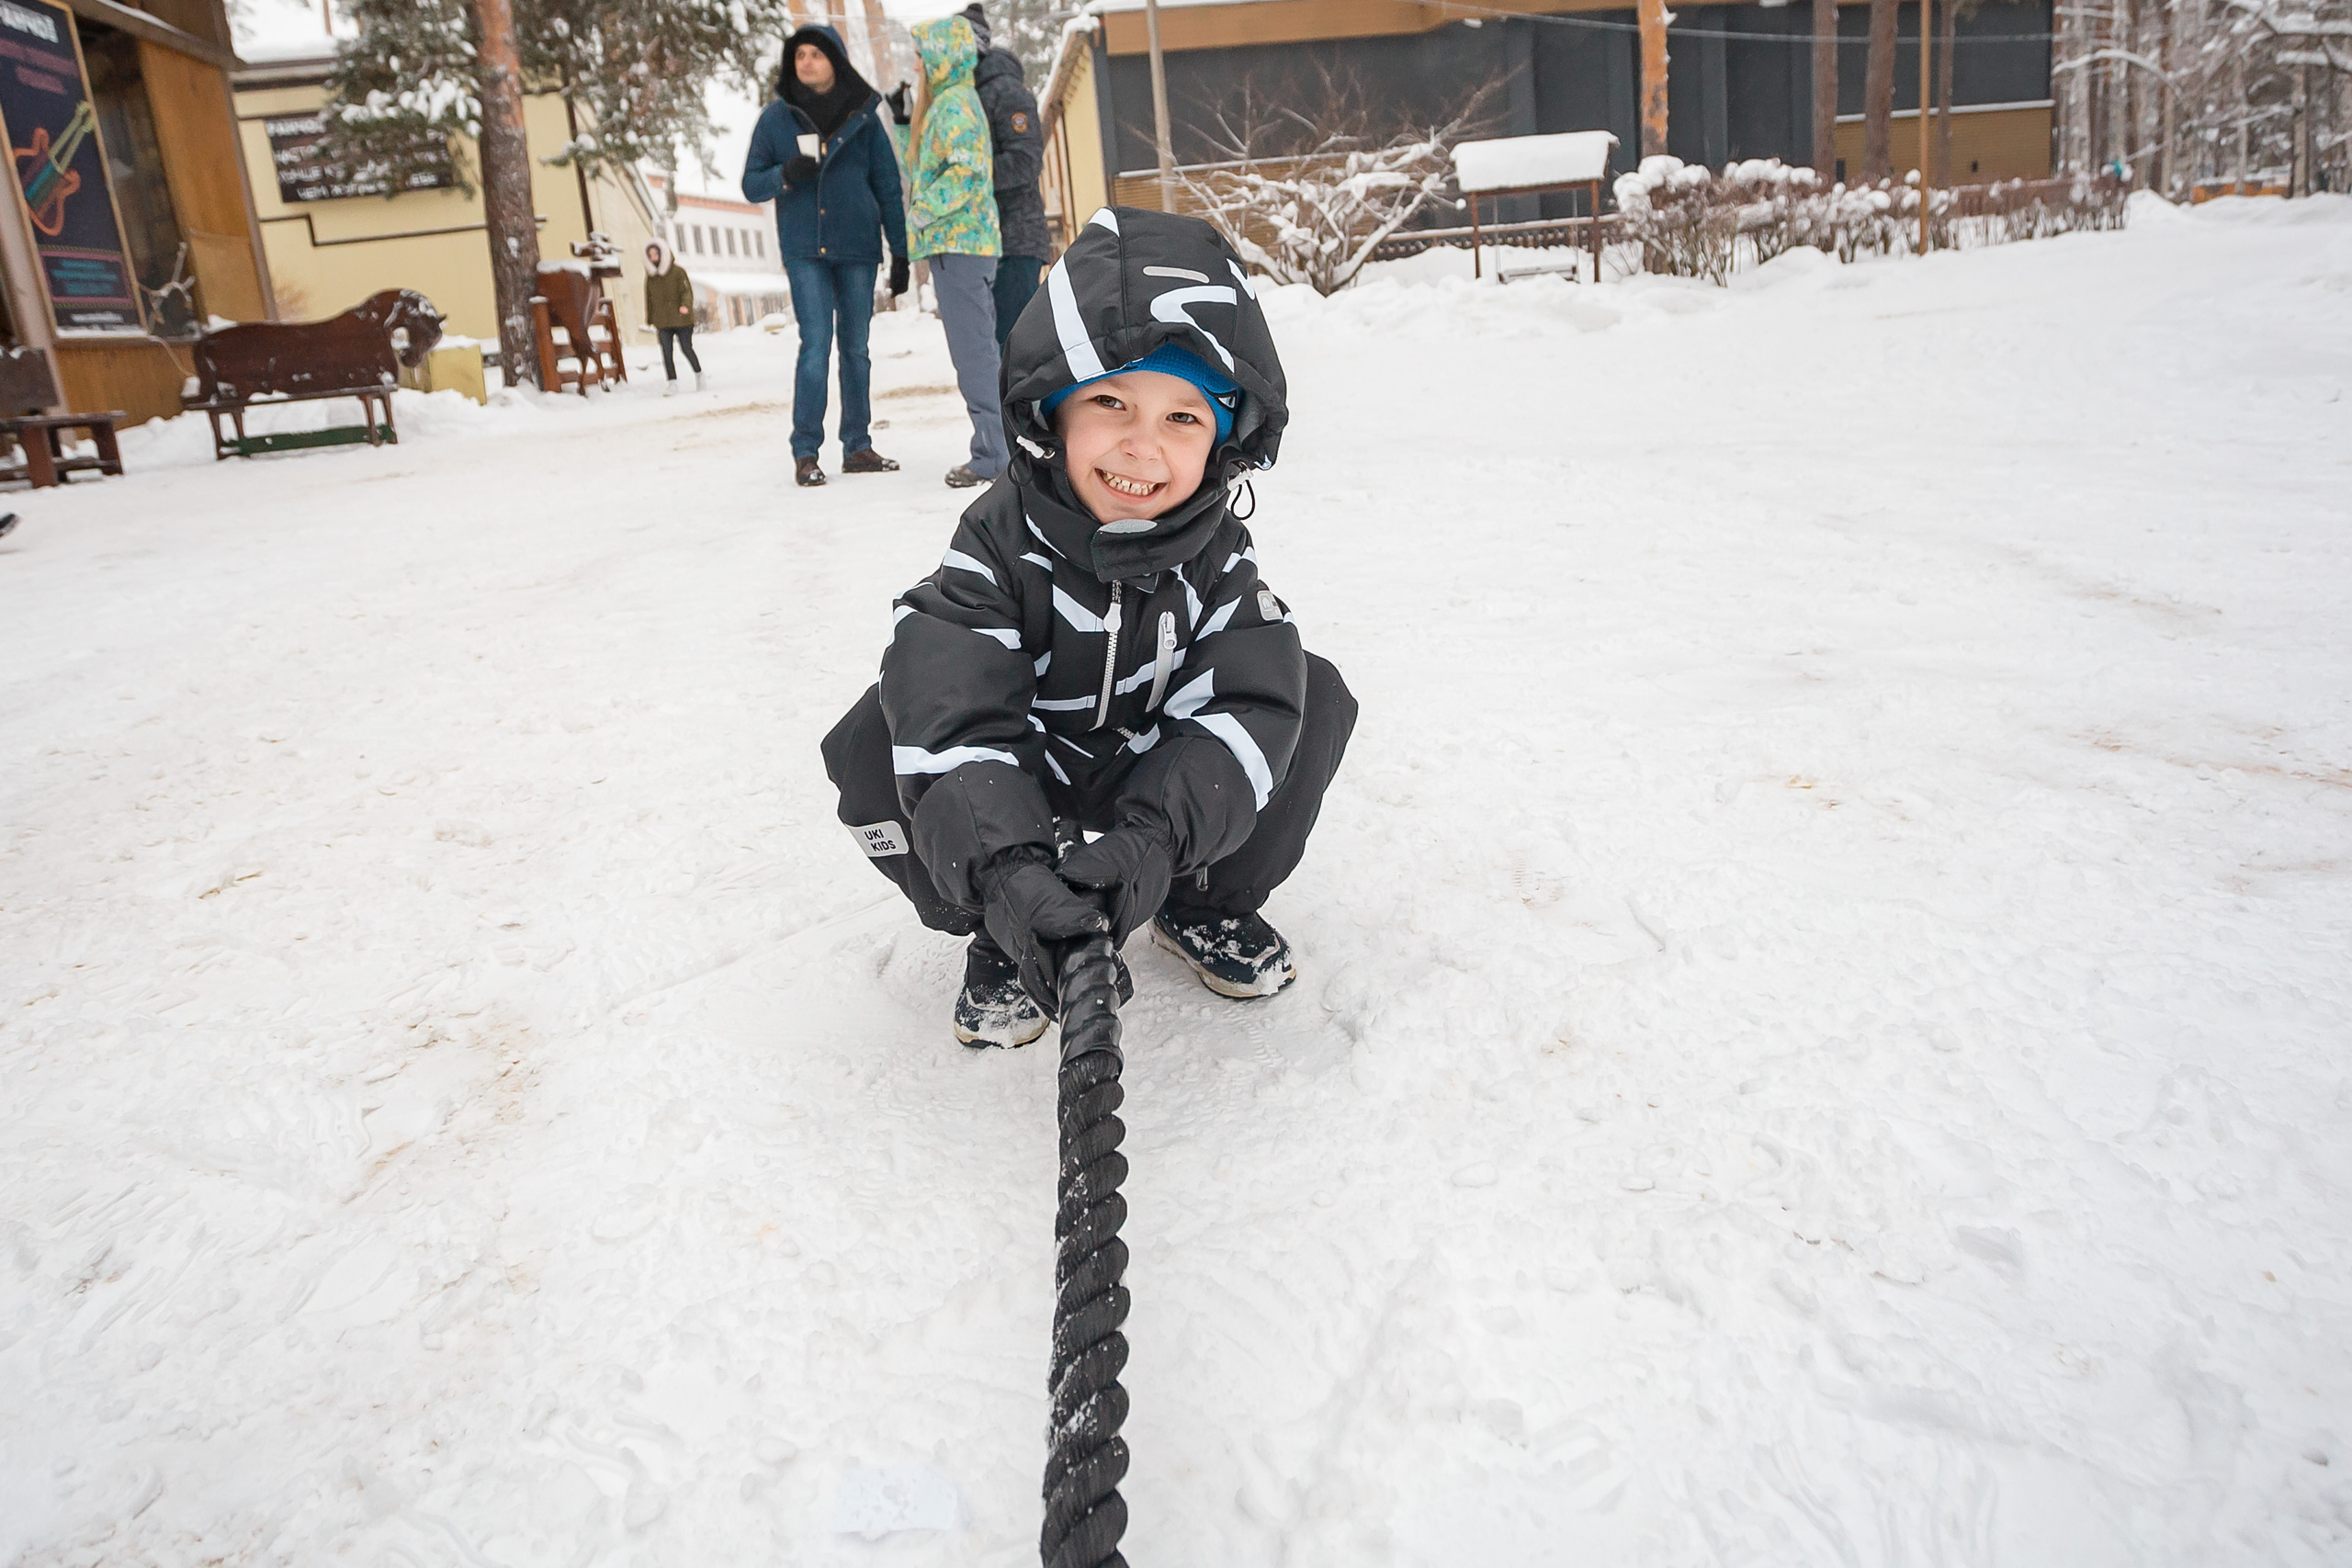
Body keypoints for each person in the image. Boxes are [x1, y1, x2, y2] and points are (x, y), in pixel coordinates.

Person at [820, 208, 1358, 1048]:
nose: (1143, 447)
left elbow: (1247, 703)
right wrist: (1009, 872)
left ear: (1224, 442)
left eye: (1184, 417)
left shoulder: (1217, 558)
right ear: (1054, 408)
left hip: (1147, 768)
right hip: (1032, 769)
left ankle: (1199, 900)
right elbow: (953, 703)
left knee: (1305, 692)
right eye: (1111, 401)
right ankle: (1007, 926)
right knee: (881, 732)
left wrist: (1153, 844)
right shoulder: (997, 540)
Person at [743, 23, 910, 489]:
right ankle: (806, 452)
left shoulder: (864, 116)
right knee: (815, 346)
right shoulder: (776, 119)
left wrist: (900, 252)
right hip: (805, 250)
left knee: (856, 349)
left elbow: (888, 186)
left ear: (835, 60)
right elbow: (751, 184)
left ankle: (857, 446)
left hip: (858, 247)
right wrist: (784, 174)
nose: (806, 62)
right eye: (799, 55)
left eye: (816, 54)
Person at [905, 16, 1006, 490]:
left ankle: (994, 456)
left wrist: (923, 211)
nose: (917, 66)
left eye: (921, 56)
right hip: (963, 244)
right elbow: (934, 165)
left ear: (941, 57)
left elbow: (967, 171)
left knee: (975, 356)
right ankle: (996, 450)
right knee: (978, 351)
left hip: (959, 243)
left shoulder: (954, 104)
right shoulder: (951, 103)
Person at [959, 5, 1052, 348]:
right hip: (981, 241)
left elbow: (1025, 161)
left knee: (1014, 347)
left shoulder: (1007, 92)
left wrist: (965, 178)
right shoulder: (964, 95)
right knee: (991, 350)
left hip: (1014, 241)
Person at [642, 240, 702, 396]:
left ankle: (699, 374)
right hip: (662, 321)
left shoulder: (678, 272)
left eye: (656, 254)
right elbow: (649, 298)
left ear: (663, 254)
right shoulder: (651, 277)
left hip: (682, 320)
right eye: (650, 255)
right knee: (666, 353)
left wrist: (685, 305)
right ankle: (672, 383)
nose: (653, 258)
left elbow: (686, 292)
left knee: (686, 348)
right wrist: (650, 318)